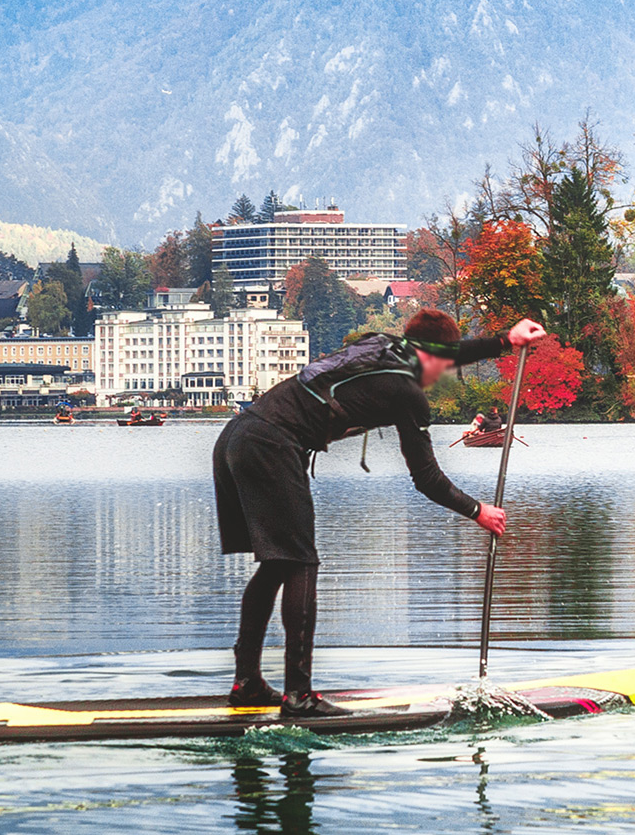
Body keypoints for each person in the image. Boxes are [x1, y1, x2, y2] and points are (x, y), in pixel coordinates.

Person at [213, 307, 543, 718]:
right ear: (430, 353)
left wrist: (506, 342)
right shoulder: (406, 391)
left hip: (238, 437)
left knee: (279, 563)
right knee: (299, 563)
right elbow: (426, 478)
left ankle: (247, 684)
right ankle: (298, 696)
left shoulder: (385, 348)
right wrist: (478, 511)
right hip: (271, 445)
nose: (442, 376)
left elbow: (448, 351)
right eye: (443, 365)